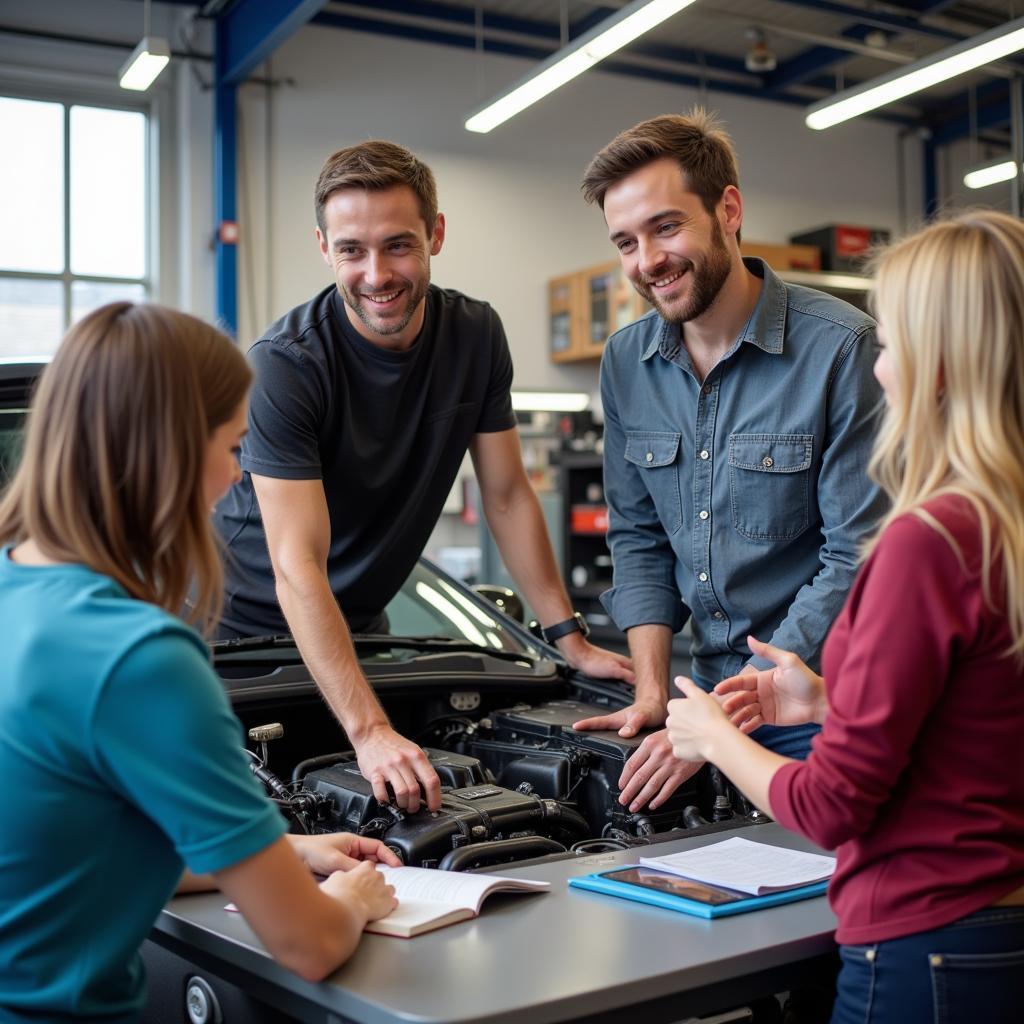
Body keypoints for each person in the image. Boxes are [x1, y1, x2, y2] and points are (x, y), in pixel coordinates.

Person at [666, 210, 1024, 1023]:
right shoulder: (1004, 525)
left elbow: (831, 808)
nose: (883, 372)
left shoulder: (926, 541)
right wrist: (831, 705)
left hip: (924, 944)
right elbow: (986, 717)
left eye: (893, 346)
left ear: (940, 365)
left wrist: (714, 737)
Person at [0, 303, 400, 1022]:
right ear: (172, 456)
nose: (237, 474)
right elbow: (305, 945)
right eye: (232, 446)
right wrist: (346, 899)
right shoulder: (137, 659)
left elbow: (67, 863)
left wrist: (278, 853)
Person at [213, 139, 632, 814]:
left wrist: (569, 639)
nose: (377, 273)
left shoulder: (475, 336)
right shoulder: (287, 365)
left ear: (436, 234)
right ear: (324, 247)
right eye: (352, 249)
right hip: (236, 641)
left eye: (398, 245)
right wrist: (369, 728)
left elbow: (506, 496)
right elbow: (297, 565)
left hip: (361, 629)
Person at [571, 110, 885, 814]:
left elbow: (854, 556)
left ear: (729, 210)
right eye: (626, 241)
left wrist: (718, 718)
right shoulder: (627, 362)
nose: (647, 260)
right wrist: (654, 694)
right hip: (700, 695)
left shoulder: (840, 349)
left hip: (814, 707)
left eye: (666, 227)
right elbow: (639, 538)